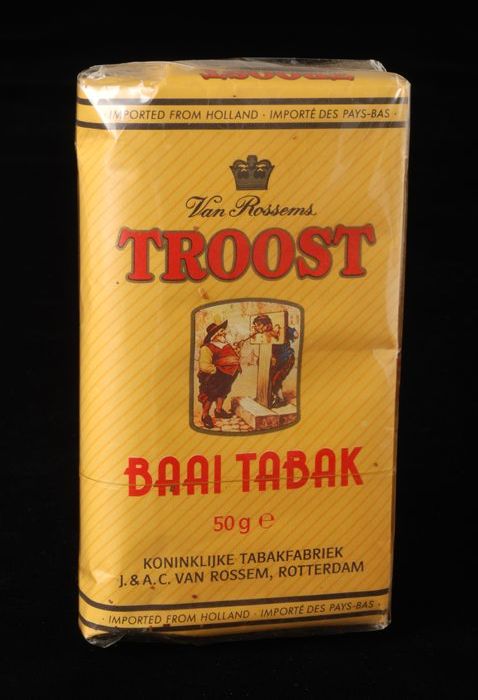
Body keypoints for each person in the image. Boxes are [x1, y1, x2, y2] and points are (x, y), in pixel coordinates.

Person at [197, 320, 241, 429]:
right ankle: (205, 416)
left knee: (223, 392)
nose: (224, 333)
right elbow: (204, 365)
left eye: (223, 331)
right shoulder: (207, 348)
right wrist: (216, 371)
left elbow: (232, 356)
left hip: (229, 375)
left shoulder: (226, 345)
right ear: (215, 335)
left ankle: (219, 411)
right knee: (210, 395)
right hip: (216, 375)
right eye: (221, 332)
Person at [252, 314, 298, 408]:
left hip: (286, 358)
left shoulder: (282, 329)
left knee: (276, 379)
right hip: (275, 360)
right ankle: (265, 396)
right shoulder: (261, 333)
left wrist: (287, 330)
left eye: (259, 325)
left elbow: (296, 335)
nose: (257, 327)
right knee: (265, 377)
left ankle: (280, 399)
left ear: (267, 324)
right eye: (256, 325)